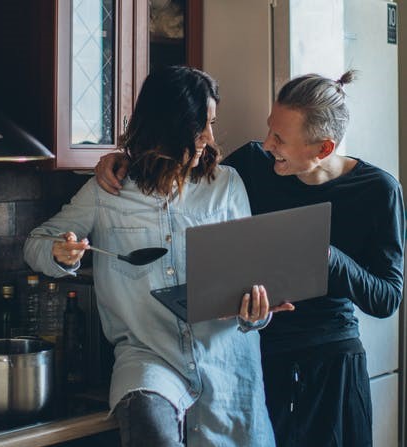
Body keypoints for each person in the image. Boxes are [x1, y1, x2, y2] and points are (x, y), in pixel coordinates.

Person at [93, 70, 405, 447]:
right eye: (270, 129)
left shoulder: (379, 191)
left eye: (280, 139)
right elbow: (181, 167)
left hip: (333, 362)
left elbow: (387, 297)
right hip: (266, 359)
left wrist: (328, 256)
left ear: (323, 148)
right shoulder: (255, 165)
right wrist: (120, 161)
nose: (267, 144)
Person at [24, 65, 292, 447]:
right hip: (148, 359)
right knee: (151, 427)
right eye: (200, 125)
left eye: (212, 123)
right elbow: (35, 243)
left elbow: (252, 277)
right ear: (168, 125)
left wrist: (257, 312)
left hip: (227, 364)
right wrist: (60, 252)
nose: (209, 137)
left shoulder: (227, 184)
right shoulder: (106, 191)